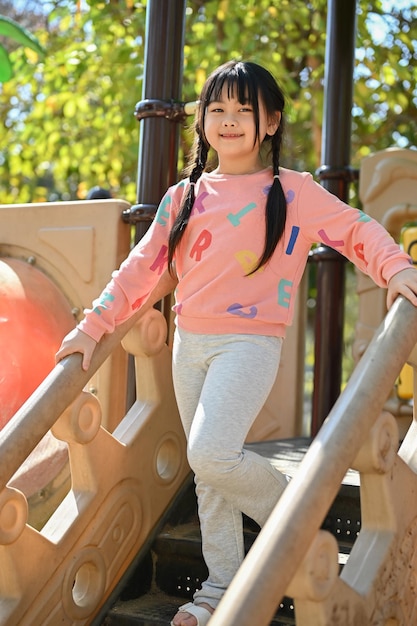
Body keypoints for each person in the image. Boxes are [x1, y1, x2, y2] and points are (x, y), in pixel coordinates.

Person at [56, 60, 417, 626]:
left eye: (242, 111)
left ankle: (294, 520)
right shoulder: (186, 195)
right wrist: (93, 326)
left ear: (269, 122)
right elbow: (140, 270)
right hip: (189, 344)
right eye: (215, 110)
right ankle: (219, 585)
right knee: (209, 475)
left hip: (249, 343)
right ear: (202, 122)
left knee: (210, 452)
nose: (227, 121)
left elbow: (355, 229)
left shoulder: (291, 192)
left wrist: (395, 268)